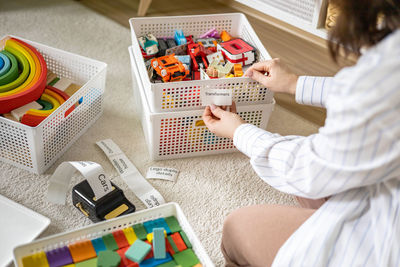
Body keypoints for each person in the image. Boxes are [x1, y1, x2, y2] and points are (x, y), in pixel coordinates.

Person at [202, 0, 400, 266]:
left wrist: (240, 132)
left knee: (236, 227)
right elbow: (367, 94)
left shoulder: (385, 74)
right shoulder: (385, 69)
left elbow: (307, 169)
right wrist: (296, 83)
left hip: (384, 243)